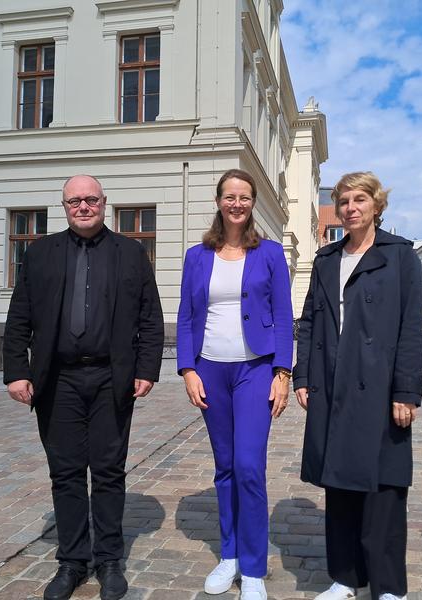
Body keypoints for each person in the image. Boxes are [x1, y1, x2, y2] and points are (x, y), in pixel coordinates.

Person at [3, 175, 164, 600]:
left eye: (91, 199)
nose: (83, 206)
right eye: (75, 201)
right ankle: (72, 561)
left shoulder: (130, 253)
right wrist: (16, 370)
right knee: (67, 472)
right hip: (57, 380)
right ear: (64, 206)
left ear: (104, 203)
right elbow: (19, 315)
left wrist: (147, 368)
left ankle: (110, 559)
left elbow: (150, 316)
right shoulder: (39, 254)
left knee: (109, 471)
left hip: (113, 378)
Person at [293, 172, 422, 600]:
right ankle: (345, 577)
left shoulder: (400, 255)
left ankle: (388, 587)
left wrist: (407, 390)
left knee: (385, 487)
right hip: (332, 381)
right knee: (340, 483)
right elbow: (310, 320)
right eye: (344, 201)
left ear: (376, 205)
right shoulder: (327, 258)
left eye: (359, 200)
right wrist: (303, 376)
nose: (351, 208)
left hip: (382, 383)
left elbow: (412, 328)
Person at [176, 168, 293, 600]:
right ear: (219, 201)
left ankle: (254, 567)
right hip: (210, 370)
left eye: (244, 197)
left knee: (249, 466)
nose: (237, 203)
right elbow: (186, 316)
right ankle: (229, 555)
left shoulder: (270, 254)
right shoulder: (196, 255)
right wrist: (188, 369)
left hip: (255, 370)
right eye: (230, 196)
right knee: (224, 466)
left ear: (253, 202)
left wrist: (283, 373)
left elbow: (283, 316)